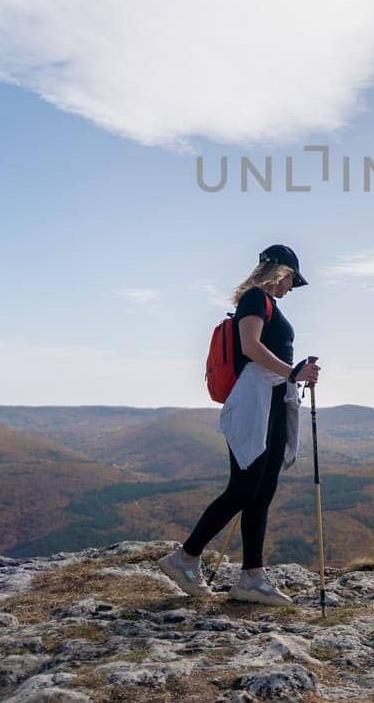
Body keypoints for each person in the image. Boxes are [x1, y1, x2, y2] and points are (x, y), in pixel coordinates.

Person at [158, 244, 321, 605]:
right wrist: (293, 370)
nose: (292, 288)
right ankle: (184, 558)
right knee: (245, 487)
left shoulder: (269, 305)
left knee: (262, 490)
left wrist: (296, 374)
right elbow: (249, 346)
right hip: (254, 405)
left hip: (274, 403)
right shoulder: (254, 299)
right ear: (281, 272)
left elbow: (264, 352)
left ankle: (252, 577)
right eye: (292, 280)